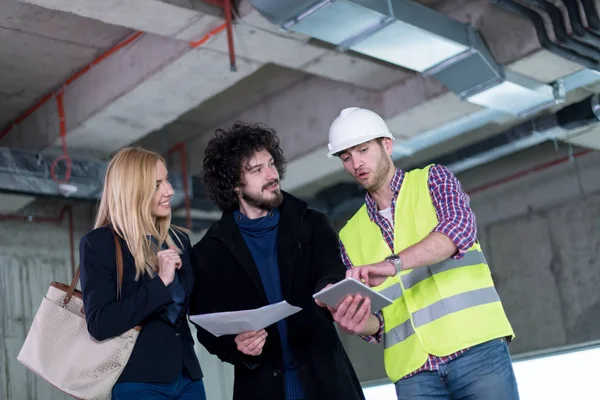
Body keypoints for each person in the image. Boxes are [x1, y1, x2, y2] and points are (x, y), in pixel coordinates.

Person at [321, 107, 519, 399]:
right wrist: (355, 321)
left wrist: (393, 264)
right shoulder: (350, 235)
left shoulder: (432, 180)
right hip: (413, 374)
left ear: (386, 145)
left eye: (363, 150)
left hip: (476, 352)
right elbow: (379, 324)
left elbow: (458, 231)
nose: (356, 163)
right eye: (346, 157)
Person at [189, 122, 366, 400]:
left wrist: (329, 288)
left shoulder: (312, 223)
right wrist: (236, 346)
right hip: (260, 389)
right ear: (235, 185)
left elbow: (330, 269)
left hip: (326, 383)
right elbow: (208, 327)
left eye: (271, 164)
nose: (272, 175)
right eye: (257, 170)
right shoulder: (208, 253)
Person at [79, 147, 206, 399]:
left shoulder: (178, 239)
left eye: (167, 180)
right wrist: (161, 282)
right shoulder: (100, 243)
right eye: (157, 184)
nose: (169, 190)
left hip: (188, 378)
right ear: (133, 190)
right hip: (137, 381)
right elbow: (99, 324)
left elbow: (197, 308)